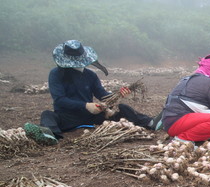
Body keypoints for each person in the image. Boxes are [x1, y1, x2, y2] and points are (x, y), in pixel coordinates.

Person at [24, 40, 158, 146]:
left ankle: (152, 123)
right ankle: (50, 135)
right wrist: (85, 105)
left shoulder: (90, 75)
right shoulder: (56, 74)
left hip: (91, 117)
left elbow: (101, 94)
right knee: (47, 115)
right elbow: (59, 100)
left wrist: (117, 95)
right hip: (67, 118)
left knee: (124, 109)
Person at [160, 54, 210, 144]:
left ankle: (183, 136)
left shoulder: (186, 79)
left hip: (168, 123)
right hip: (178, 123)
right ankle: (181, 139)